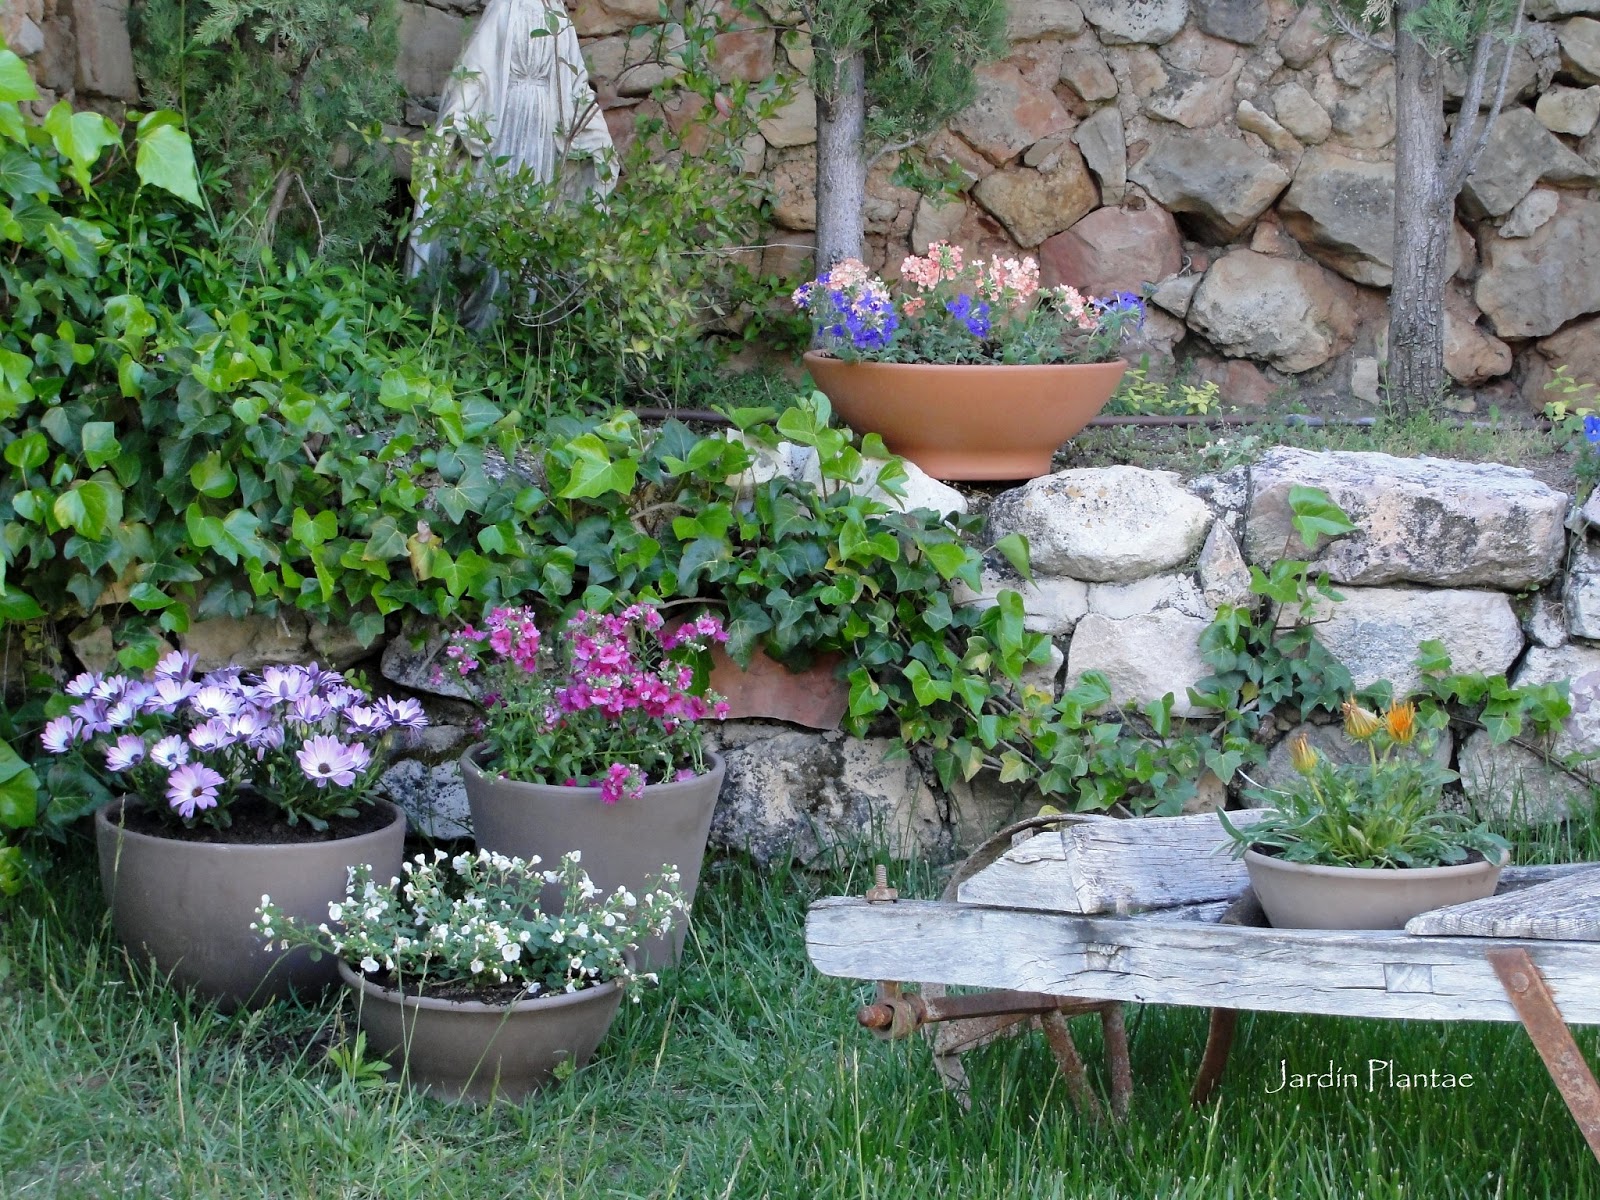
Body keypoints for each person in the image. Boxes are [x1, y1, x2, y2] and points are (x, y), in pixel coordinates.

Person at [407, 0, 616, 285]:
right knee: (493, 205)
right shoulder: (504, 7)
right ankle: (482, 305)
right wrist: (458, 111)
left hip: (543, 127)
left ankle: (520, 306)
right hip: (506, 117)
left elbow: (574, 83)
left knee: (535, 212)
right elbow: (477, 67)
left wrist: (595, 131)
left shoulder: (556, 15)